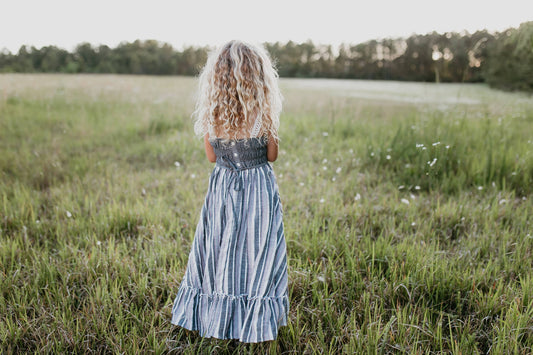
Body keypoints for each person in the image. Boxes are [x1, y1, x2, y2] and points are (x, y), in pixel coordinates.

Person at [171, 40, 289, 343]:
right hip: (258, 191)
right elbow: (272, 156)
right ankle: (253, 319)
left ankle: (217, 313)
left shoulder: (214, 116)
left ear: (217, 78)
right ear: (259, 76)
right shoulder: (264, 114)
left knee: (220, 249)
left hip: (223, 189)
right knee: (257, 251)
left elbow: (212, 158)